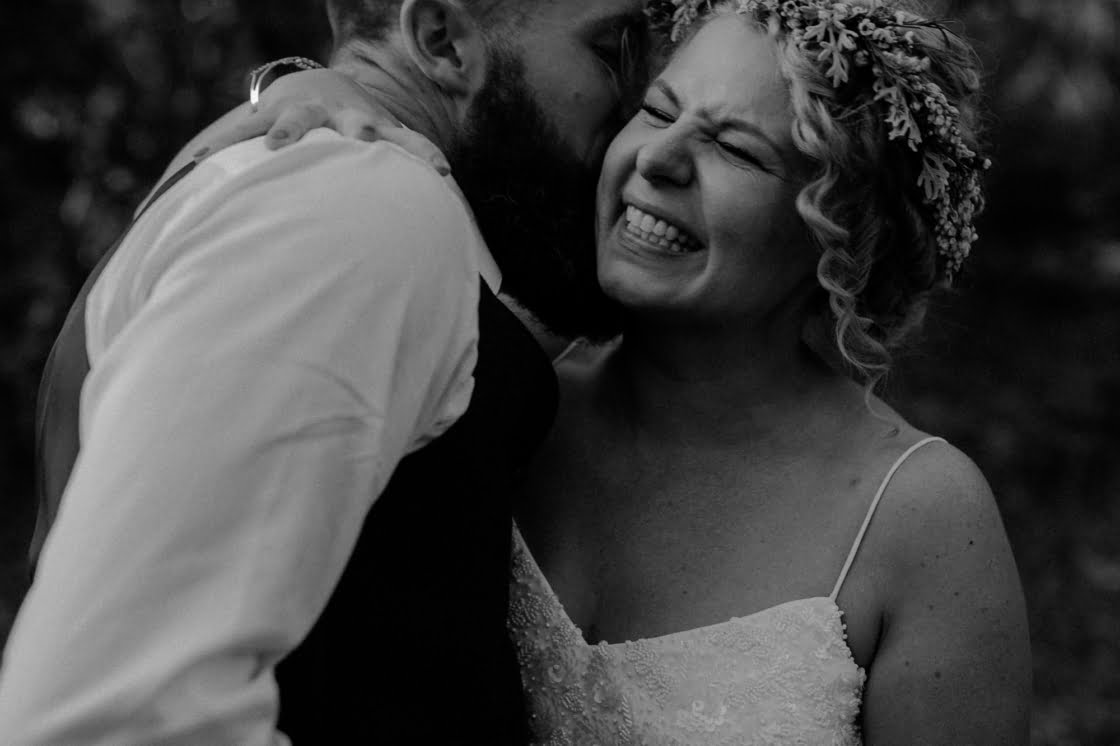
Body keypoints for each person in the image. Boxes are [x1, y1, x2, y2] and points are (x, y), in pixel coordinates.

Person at [201, 0, 1034, 742]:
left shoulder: (921, 515)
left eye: (735, 149)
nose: (658, 158)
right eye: (656, 109)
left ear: (842, 237)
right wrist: (305, 87)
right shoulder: (497, 385)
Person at [0, 0, 651, 743]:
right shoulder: (360, 204)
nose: (635, 104)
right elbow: (122, 716)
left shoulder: (318, 187)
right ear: (440, 39)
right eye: (611, 51)